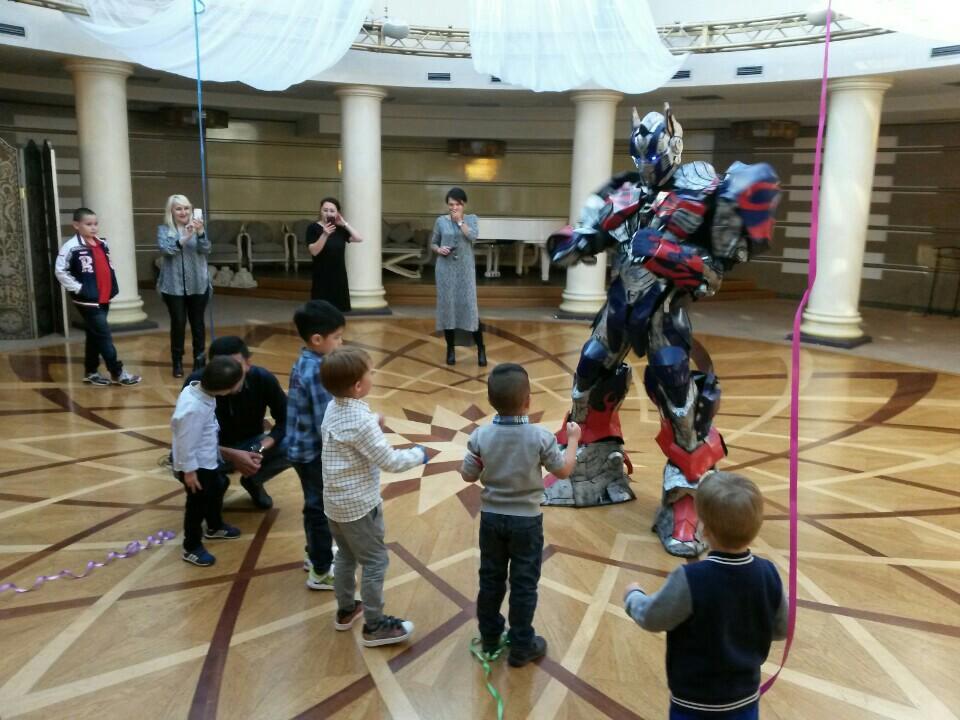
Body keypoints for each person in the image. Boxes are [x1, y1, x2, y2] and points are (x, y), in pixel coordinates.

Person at [544, 104, 780, 560]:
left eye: (653, 157)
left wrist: (668, 254)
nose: (647, 166)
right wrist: (574, 240)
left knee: (679, 402)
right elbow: (594, 230)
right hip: (619, 305)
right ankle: (591, 466)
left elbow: (713, 273)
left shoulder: (704, 190)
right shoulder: (628, 189)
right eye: (641, 158)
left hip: (664, 313)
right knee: (587, 377)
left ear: (673, 147)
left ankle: (686, 500)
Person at [623, 472, 788, 719]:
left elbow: (652, 618)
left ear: (705, 529)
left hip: (693, 705)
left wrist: (633, 596)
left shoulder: (690, 578)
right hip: (744, 702)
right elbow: (782, 628)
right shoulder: (768, 573)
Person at [460, 363, 580, 666]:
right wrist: (573, 440)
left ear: (490, 400)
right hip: (526, 523)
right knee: (524, 584)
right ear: (528, 400)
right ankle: (522, 645)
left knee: (491, 580)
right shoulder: (540, 437)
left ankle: (490, 638)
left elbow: (467, 475)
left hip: (491, 520)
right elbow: (564, 470)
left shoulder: (481, 436)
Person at [320, 347, 429, 646]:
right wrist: (419, 454)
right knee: (375, 562)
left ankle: (346, 610)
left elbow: (350, 435)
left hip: (334, 504)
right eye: (370, 372)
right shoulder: (361, 421)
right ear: (358, 385)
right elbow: (390, 461)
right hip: (360, 508)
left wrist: (373, 423)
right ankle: (375, 625)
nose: (373, 375)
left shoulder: (332, 408)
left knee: (345, 556)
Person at [184, 336, 288, 510]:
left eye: (235, 366)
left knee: (298, 441)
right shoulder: (195, 385)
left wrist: (259, 448)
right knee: (182, 461)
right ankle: (216, 485)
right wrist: (231, 455)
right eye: (221, 366)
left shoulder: (262, 378)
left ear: (248, 363)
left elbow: (286, 419)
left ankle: (253, 480)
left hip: (251, 444)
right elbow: (189, 439)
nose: (229, 373)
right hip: (212, 449)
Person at [287, 299, 345, 590]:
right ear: (317, 339)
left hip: (301, 448)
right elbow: (328, 424)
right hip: (314, 454)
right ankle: (321, 570)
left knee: (314, 505)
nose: (341, 342)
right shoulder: (319, 372)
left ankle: (314, 555)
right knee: (320, 509)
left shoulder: (304, 361)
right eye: (337, 337)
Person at [54, 207, 141, 386]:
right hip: (87, 300)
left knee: (94, 334)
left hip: (103, 296)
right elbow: (60, 271)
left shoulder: (102, 243)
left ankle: (91, 371)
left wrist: (112, 287)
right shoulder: (71, 247)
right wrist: (79, 288)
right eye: (88, 224)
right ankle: (117, 372)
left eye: (95, 224)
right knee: (103, 335)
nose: (93, 227)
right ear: (76, 225)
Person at [171, 356, 245, 567]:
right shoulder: (193, 408)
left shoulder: (200, 391)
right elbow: (185, 442)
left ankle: (214, 526)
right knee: (196, 506)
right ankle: (191, 547)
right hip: (196, 468)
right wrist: (189, 472)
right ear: (225, 389)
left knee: (219, 486)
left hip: (208, 460)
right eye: (238, 382)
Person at [157, 194, 211, 378]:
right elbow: (167, 250)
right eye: (178, 208)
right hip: (173, 286)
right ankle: (177, 361)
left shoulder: (199, 227)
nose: (183, 212)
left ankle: (199, 360)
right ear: (171, 211)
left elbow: (206, 249)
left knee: (198, 324)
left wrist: (200, 233)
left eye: (186, 208)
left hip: (198, 284)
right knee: (178, 323)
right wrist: (186, 236)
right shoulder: (164, 230)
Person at [431, 186, 486, 367]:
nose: (454, 207)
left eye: (457, 204)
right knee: (448, 310)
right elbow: (433, 243)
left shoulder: (471, 219)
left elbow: (473, 237)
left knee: (470, 309)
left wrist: (460, 222)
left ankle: (481, 348)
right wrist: (439, 249)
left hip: (465, 271)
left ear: (464, 204)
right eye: (451, 204)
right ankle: (450, 349)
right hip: (445, 270)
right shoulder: (440, 221)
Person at [305, 197, 362, 312]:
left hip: (339, 275)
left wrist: (344, 223)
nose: (328, 213)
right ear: (320, 211)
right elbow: (314, 251)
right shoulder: (313, 228)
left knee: (340, 310)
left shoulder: (340, 229)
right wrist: (325, 234)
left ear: (337, 213)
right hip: (322, 275)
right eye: (325, 210)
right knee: (321, 310)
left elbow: (359, 238)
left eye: (332, 211)